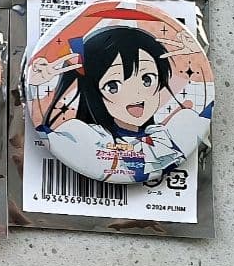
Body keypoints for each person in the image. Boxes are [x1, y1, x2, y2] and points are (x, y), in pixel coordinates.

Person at [29, 25, 211, 182]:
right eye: (113, 85)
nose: (136, 94)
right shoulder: (87, 138)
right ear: (95, 92)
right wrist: (35, 86)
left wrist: (197, 58)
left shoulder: (171, 134)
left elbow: (209, 109)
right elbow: (42, 135)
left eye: (147, 79)